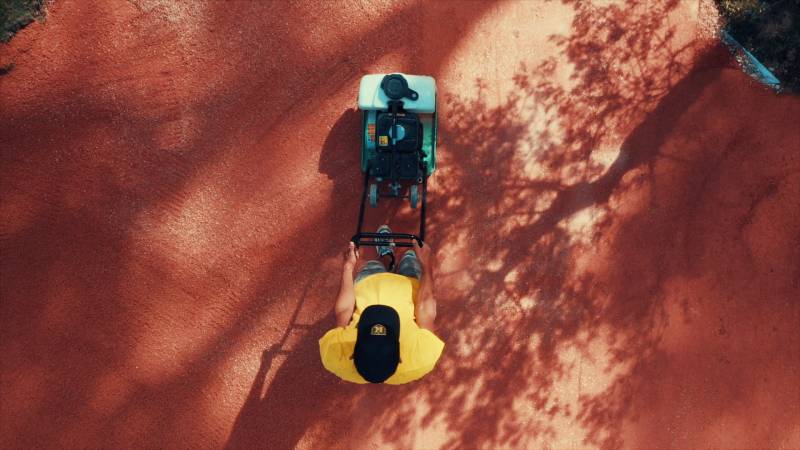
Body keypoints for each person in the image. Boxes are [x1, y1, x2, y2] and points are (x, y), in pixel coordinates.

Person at [319, 225, 444, 384]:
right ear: (400, 358)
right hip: (409, 286)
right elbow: (426, 312)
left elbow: (344, 310)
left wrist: (348, 267)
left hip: (369, 284)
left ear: (352, 354)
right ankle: (404, 258)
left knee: (374, 265)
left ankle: (387, 256)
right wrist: (426, 265)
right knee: (410, 261)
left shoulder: (334, 353)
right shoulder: (423, 356)